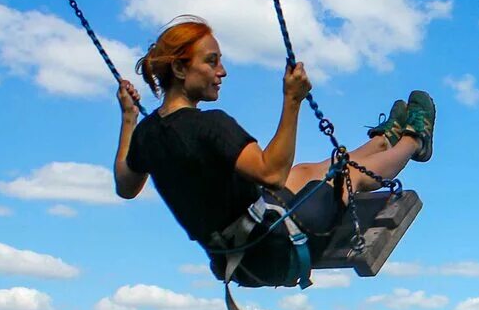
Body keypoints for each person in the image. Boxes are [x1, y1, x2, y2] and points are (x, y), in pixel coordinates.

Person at [111, 15, 433, 262]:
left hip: (239, 249)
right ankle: (414, 140)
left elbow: (126, 187)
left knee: (306, 172)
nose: (222, 71)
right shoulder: (209, 126)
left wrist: (129, 119)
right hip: (274, 246)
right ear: (180, 70)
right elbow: (272, 174)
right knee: (348, 176)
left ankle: (382, 142)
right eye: (211, 61)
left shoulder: (148, 133)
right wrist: (292, 100)